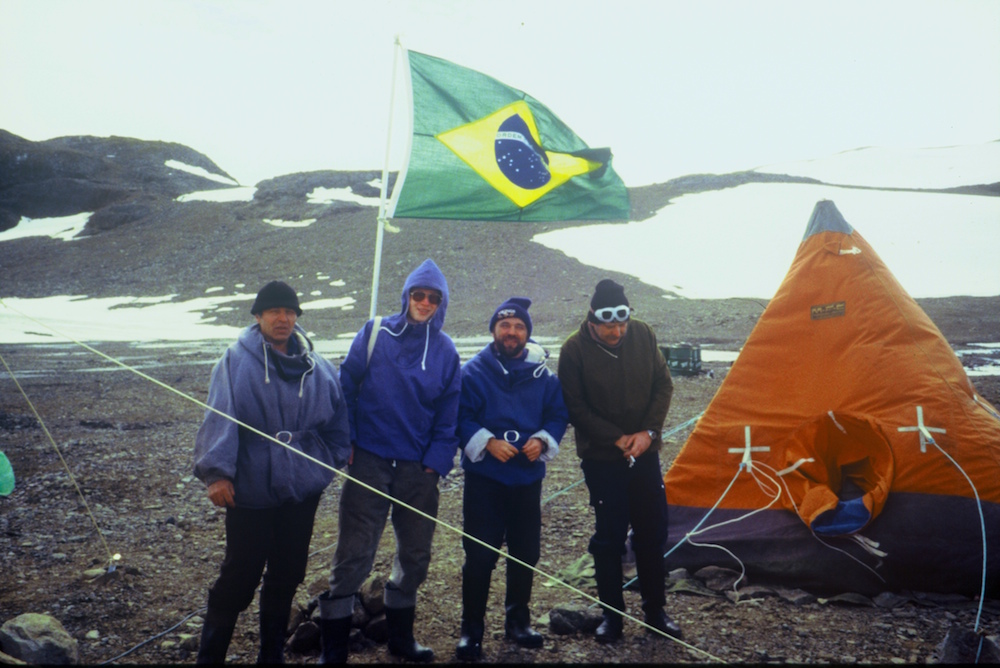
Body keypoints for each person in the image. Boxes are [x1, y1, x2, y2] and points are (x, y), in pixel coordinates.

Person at [193, 280, 351, 664]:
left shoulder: (318, 366)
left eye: (289, 311)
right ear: (258, 316)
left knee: (288, 570)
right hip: (250, 487)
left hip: (301, 488)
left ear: (297, 317)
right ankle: (209, 657)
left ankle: (271, 656)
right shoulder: (234, 361)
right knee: (240, 574)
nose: (283, 318)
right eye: (274, 311)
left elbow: (337, 424)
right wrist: (217, 473)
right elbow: (220, 417)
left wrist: (321, 466)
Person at [319, 258, 460, 664]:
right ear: (406, 296)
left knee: (416, 554)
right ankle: (334, 649)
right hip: (370, 460)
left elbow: (449, 412)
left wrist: (436, 462)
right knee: (354, 551)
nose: (426, 302)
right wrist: (348, 441)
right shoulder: (375, 332)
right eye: (419, 294)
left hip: (418, 468)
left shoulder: (446, 350)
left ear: (441, 303)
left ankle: (400, 640)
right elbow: (347, 384)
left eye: (434, 298)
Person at [557, 278, 682, 644]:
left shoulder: (643, 335)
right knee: (610, 537)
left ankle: (655, 612)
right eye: (609, 324)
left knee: (652, 531)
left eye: (622, 323)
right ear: (593, 320)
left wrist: (648, 433)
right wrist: (615, 437)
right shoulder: (574, 350)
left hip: (644, 454)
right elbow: (574, 406)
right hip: (602, 458)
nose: (617, 331)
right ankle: (612, 616)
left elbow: (663, 385)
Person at [454, 297, 569, 661]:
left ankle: (517, 621)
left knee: (525, 553)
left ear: (526, 334)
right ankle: (471, 630)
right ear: (493, 331)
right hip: (485, 479)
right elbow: (461, 416)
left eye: (519, 327)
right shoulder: (472, 373)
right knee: (479, 555)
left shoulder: (544, 377)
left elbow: (557, 415)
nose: (512, 332)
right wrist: (486, 440)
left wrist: (542, 440)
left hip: (525, 479)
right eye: (505, 326)